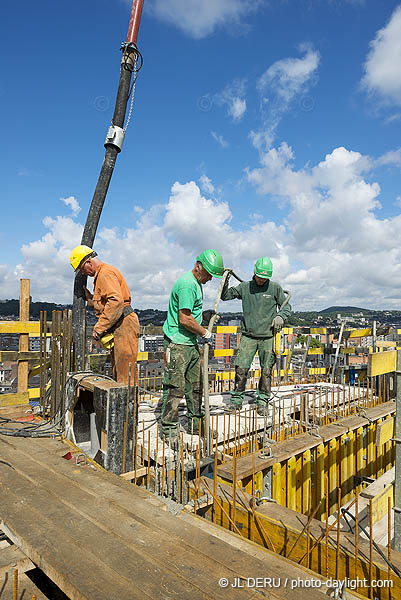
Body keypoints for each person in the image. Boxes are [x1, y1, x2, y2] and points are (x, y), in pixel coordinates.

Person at [161, 249, 224, 439]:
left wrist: (203, 316)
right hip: (178, 344)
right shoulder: (188, 284)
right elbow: (184, 319)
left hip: (189, 343)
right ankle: (169, 429)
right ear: (199, 267)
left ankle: (196, 425)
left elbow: (191, 314)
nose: (210, 279)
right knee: (175, 387)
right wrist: (204, 332)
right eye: (209, 274)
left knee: (195, 386)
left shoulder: (196, 283)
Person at [221, 257, 291, 415]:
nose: (262, 280)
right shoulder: (245, 287)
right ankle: (236, 400)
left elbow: (287, 307)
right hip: (249, 336)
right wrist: (225, 281)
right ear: (254, 273)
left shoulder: (275, 289)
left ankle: (262, 401)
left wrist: (281, 317)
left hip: (268, 337)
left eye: (265, 278)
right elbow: (225, 296)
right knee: (241, 368)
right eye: (260, 277)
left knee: (266, 370)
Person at [70, 245, 140, 385]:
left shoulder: (105, 273)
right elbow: (107, 303)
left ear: (89, 262)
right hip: (120, 324)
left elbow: (116, 302)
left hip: (124, 323)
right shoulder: (102, 275)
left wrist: (99, 327)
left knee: (126, 374)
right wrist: (92, 300)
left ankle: (130, 406)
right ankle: (124, 406)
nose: (83, 273)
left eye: (82, 268)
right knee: (119, 372)